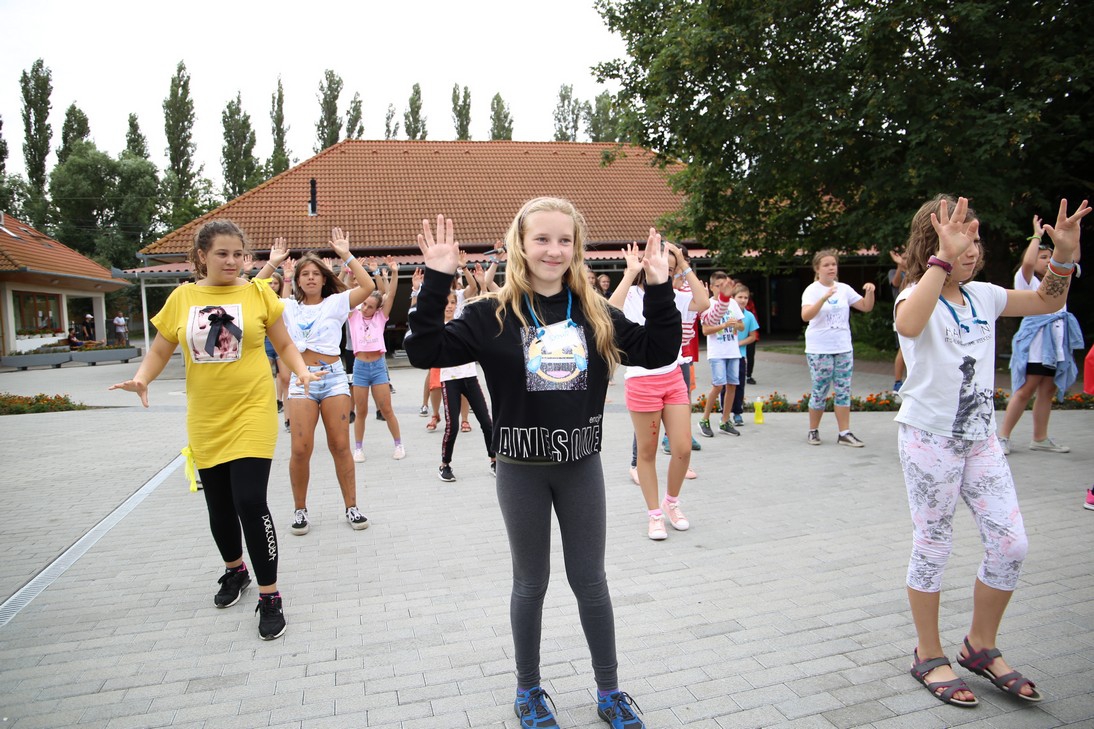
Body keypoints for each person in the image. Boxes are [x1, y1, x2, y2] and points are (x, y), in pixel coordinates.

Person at [406, 199, 680, 729]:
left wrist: (659, 285)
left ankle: (609, 691)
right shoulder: (489, 314)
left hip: (580, 467)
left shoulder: (596, 312)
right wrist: (437, 280)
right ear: (520, 244)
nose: (554, 250)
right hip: (520, 469)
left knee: (591, 582)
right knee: (531, 584)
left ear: (576, 248)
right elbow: (423, 352)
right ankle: (528, 690)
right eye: (542, 239)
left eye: (564, 240)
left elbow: (659, 349)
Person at [894, 195, 1087, 707]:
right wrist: (941, 260)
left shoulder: (984, 295)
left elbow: (1047, 301)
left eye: (975, 239)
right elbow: (909, 325)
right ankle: (928, 653)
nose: (972, 248)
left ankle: (979, 645)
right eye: (960, 238)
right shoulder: (915, 293)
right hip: (929, 438)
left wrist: (1064, 254)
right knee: (932, 546)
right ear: (933, 241)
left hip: (980, 439)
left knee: (1011, 545)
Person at [110, 219, 322, 640]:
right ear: (201, 256)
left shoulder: (257, 293)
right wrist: (142, 378)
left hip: (252, 412)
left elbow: (283, 343)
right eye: (222, 253)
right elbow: (160, 349)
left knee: (250, 501)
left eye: (238, 254)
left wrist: (301, 371)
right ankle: (235, 570)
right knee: (220, 506)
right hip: (206, 417)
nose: (231, 261)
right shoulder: (182, 297)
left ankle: (270, 596)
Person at [258, 232, 376, 536]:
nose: (310, 278)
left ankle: (352, 506)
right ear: (297, 280)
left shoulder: (336, 303)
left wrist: (347, 255)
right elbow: (252, 292)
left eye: (315, 274)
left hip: (333, 378)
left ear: (324, 279)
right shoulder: (286, 307)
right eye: (304, 274)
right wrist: (272, 264)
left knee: (340, 445)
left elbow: (368, 287)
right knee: (300, 449)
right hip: (302, 380)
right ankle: (300, 510)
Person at [610, 240, 708, 540]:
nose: (667, 269)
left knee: (682, 448)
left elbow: (703, 303)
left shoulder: (675, 296)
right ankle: (654, 514)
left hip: (673, 377)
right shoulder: (633, 295)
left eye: (671, 266)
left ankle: (671, 502)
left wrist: (684, 264)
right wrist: (630, 273)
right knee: (647, 451)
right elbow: (608, 311)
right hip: (641, 381)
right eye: (661, 263)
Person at [996, 215, 1083, 456]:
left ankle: (1040, 438)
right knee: (1026, 389)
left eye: (1049, 257)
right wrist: (1036, 235)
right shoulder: (1027, 282)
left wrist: (1074, 233)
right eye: (1042, 257)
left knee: (1048, 389)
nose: (1046, 260)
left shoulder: (1059, 280)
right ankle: (1002, 437)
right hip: (1036, 345)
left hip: (1056, 345)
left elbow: (1073, 257)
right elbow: (1027, 263)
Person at [800, 250, 875, 446]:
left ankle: (844, 433)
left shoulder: (844, 289)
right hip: (819, 348)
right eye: (826, 265)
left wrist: (870, 292)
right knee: (820, 389)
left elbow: (866, 307)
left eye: (833, 264)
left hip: (843, 347)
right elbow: (806, 316)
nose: (831, 268)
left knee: (843, 389)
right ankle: (813, 430)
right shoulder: (812, 290)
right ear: (817, 269)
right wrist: (823, 298)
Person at [348, 259, 405, 462]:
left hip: (379, 366)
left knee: (386, 409)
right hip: (360, 367)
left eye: (370, 307)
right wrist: (350, 272)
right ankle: (358, 448)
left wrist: (395, 273)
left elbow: (391, 296)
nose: (365, 308)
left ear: (377, 309)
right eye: (364, 304)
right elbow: (346, 293)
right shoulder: (354, 316)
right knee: (361, 411)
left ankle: (398, 445)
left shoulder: (381, 318)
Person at [436, 291, 495, 481]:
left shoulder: (464, 324)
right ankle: (445, 465)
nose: (449, 306)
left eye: (453, 302)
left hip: (470, 377)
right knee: (452, 426)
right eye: (446, 303)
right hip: (449, 380)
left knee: (487, 422)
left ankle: (494, 460)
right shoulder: (438, 327)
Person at [698, 271, 745, 437]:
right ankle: (704, 419)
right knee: (718, 386)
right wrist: (724, 325)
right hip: (717, 352)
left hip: (732, 351)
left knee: (732, 385)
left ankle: (725, 421)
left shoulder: (732, 303)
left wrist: (735, 325)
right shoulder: (708, 304)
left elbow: (742, 326)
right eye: (718, 286)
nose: (721, 289)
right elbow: (705, 330)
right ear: (711, 287)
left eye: (724, 286)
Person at [728, 284, 760, 427]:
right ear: (733, 298)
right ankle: (725, 412)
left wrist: (739, 343)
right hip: (726, 354)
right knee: (725, 386)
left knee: (739, 384)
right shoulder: (727, 313)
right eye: (740, 297)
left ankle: (737, 412)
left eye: (745, 298)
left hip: (740, 355)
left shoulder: (749, 316)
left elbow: (753, 336)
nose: (743, 300)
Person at [888, 250, 908, 393]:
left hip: (920, 314)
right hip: (901, 316)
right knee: (903, 348)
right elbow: (896, 283)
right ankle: (898, 382)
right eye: (903, 258)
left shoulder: (917, 272)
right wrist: (900, 266)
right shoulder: (893, 272)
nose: (905, 260)